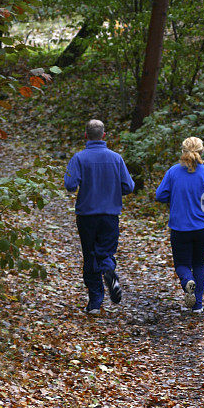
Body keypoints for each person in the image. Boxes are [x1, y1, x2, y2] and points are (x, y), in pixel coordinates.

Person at [64, 119, 135, 315]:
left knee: (89, 255)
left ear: (86, 135)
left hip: (86, 215)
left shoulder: (79, 158)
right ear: (104, 136)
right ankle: (109, 272)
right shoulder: (116, 158)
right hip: (110, 214)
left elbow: (70, 185)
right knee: (105, 252)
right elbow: (129, 186)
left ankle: (95, 302)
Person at [155, 136, 204, 314]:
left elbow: (160, 195)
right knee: (200, 264)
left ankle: (187, 281)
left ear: (183, 151)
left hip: (180, 228)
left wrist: (174, 199)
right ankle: (197, 306)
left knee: (181, 263)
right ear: (202, 151)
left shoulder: (173, 172)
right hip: (202, 227)